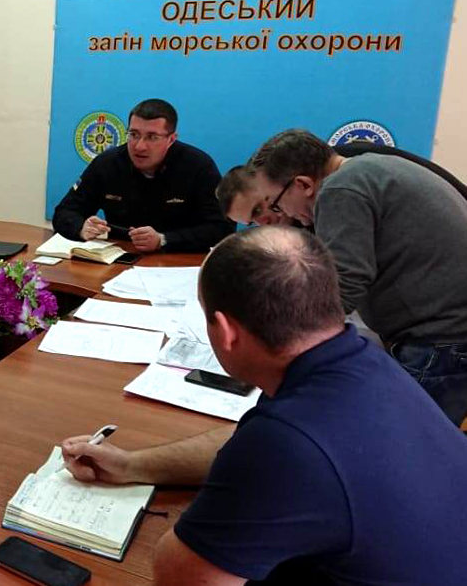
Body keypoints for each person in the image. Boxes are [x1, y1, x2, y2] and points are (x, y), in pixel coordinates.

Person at [61, 226, 467, 586]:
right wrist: (133, 466)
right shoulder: (366, 363)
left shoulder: (285, 444)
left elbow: (179, 577)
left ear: (225, 331)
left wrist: (219, 511)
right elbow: (249, 440)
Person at [250, 129, 467, 424]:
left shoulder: (341, 189)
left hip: (440, 342)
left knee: (398, 438)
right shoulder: (370, 167)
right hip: (448, 333)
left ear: (303, 184)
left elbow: (343, 285)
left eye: (276, 203)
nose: (281, 213)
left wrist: (280, 336)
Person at [52, 99, 233, 252]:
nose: (139, 146)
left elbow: (222, 227)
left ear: (171, 139)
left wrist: (164, 239)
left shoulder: (198, 166)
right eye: (134, 134)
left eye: (152, 137)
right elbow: (64, 212)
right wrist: (81, 228)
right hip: (119, 256)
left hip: (177, 260)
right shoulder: (107, 164)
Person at [217, 141, 467, 226]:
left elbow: (344, 285)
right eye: (253, 222)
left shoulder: (344, 182)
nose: (265, 222)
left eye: (261, 208)